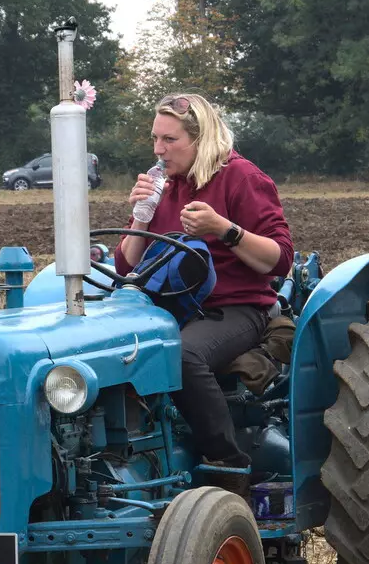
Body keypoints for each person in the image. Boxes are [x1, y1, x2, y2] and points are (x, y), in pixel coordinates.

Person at [116, 94, 293, 497]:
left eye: (170, 140)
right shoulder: (162, 184)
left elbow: (280, 259)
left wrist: (222, 229)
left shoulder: (242, 178)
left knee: (179, 354)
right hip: (168, 305)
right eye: (155, 139)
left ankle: (229, 466)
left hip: (236, 307)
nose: (159, 150)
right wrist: (141, 215)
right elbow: (127, 267)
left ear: (201, 138)